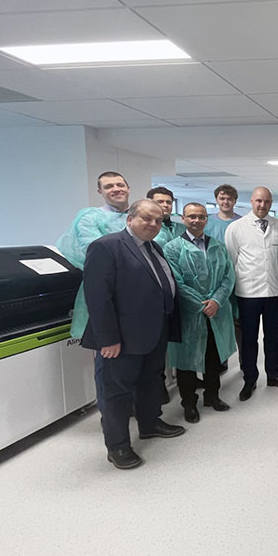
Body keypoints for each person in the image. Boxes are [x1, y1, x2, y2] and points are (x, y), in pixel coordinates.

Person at [81, 200, 184, 469]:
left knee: (150, 380)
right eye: (147, 219)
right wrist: (108, 339)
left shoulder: (153, 246)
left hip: (154, 331)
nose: (153, 225)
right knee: (116, 391)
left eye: (158, 221)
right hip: (121, 339)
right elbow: (97, 298)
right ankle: (117, 446)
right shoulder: (107, 247)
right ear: (130, 219)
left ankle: (150, 424)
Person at [164, 203, 236, 423]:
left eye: (201, 217)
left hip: (216, 312)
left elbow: (228, 275)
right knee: (187, 361)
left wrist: (216, 301)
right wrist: (200, 304)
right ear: (183, 218)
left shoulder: (218, 246)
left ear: (207, 220)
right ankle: (189, 403)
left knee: (213, 358)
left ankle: (212, 396)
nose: (196, 221)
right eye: (192, 216)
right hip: (189, 314)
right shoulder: (173, 248)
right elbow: (175, 282)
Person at [225, 186, 278, 401]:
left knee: (272, 336)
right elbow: (231, 259)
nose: (262, 205)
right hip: (248, 292)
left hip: (274, 291)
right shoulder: (236, 228)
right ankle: (250, 379)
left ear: (271, 203)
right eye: (258, 201)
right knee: (249, 339)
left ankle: (273, 374)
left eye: (266, 202)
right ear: (251, 201)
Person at [57, 171, 130, 339]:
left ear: (128, 188)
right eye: (109, 186)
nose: (116, 189)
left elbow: (158, 243)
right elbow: (98, 251)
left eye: (120, 185)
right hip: (108, 288)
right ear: (100, 192)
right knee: (110, 348)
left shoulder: (138, 216)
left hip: (138, 291)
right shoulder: (90, 218)